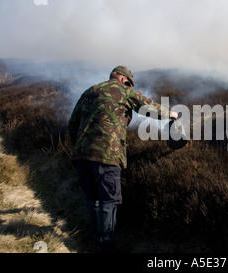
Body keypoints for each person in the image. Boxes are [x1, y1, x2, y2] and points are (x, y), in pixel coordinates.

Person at [67, 65, 178, 252]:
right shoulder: (124, 91)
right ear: (122, 79)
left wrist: (78, 148)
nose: (129, 86)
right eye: (128, 83)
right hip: (108, 154)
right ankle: (106, 246)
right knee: (109, 199)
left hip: (82, 155)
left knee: (91, 197)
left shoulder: (90, 91)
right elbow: (147, 107)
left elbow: (72, 124)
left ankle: (95, 236)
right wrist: (170, 114)